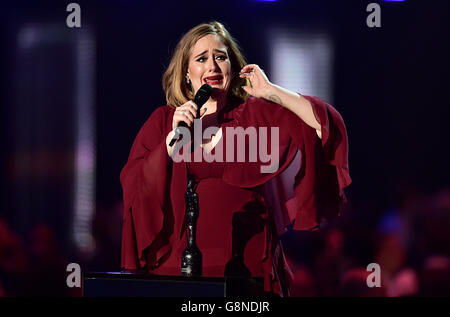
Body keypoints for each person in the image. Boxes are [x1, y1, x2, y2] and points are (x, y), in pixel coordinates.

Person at [120, 21, 351, 297]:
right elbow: (133, 187)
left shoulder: (255, 117)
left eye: (220, 57)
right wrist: (168, 147)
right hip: (178, 270)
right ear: (185, 72)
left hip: (248, 269)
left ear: (232, 65)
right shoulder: (163, 122)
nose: (213, 66)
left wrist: (271, 92)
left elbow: (324, 124)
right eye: (202, 59)